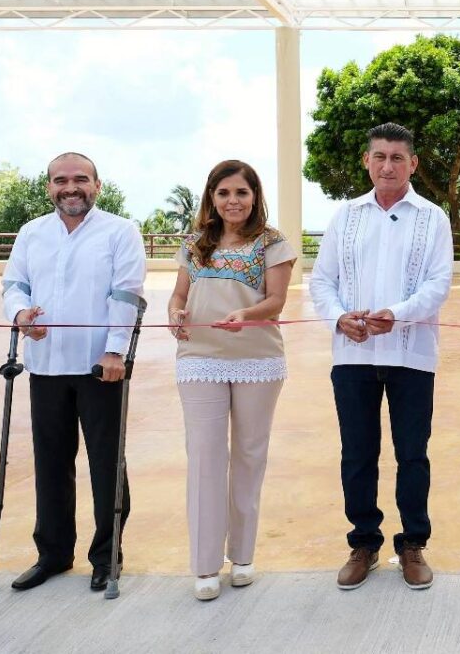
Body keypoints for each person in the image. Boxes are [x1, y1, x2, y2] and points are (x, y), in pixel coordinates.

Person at [309, 122, 453, 590]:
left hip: (412, 355)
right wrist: (338, 318)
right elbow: (322, 280)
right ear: (366, 162)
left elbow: (439, 283)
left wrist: (399, 314)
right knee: (357, 453)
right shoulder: (345, 216)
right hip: (352, 355)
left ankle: (412, 544)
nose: (387, 166)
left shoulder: (432, 217)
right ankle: (364, 543)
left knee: (412, 454)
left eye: (397, 158)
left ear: (413, 164)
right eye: (379, 156)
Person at [1, 152, 147, 592]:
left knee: (106, 464)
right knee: (50, 464)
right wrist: (20, 315)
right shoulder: (31, 233)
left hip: (100, 367)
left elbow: (126, 293)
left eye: (80, 179)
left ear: (97, 185)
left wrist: (115, 351)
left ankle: (106, 557)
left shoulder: (120, 231)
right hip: (45, 366)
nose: (70, 187)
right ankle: (53, 554)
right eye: (60, 180)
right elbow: (14, 285)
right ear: (49, 187)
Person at [167, 160, 297, 601]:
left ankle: (242, 557)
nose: (232, 201)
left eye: (241, 192)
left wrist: (246, 314)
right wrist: (175, 313)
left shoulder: (273, 243)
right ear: (212, 197)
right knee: (204, 457)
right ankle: (205, 565)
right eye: (223, 193)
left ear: (255, 196)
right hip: (199, 359)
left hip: (257, 359)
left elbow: (276, 301)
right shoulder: (194, 244)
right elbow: (179, 294)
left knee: (249, 456)